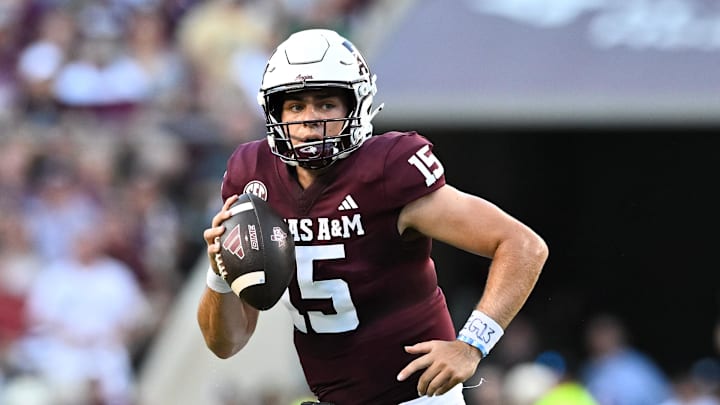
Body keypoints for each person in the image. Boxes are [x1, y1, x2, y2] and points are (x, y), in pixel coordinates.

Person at [197, 28, 548, 404]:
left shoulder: (386, 169)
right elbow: (226, 344)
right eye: (296, 106)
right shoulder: (253, 176)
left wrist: (472, 344)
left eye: (326, 104)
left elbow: (523, 245)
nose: (309, 119)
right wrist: (220, 271)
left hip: (417, 398)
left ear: (356, 106)